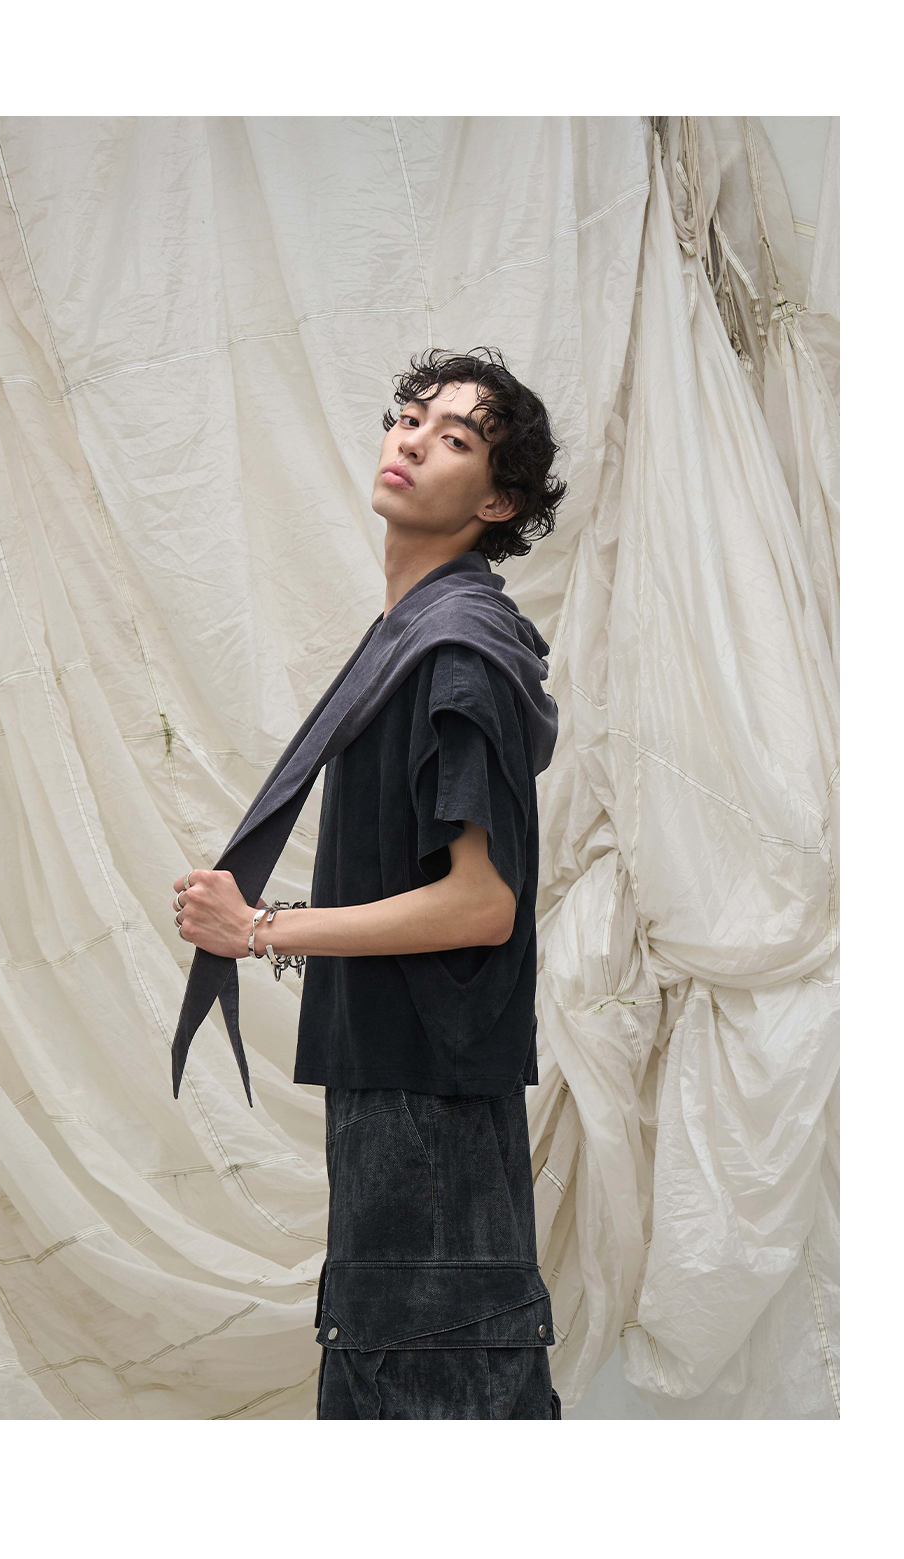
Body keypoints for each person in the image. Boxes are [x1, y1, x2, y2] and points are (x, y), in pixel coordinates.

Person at [171, 346, 566, 1419]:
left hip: (426, 1097)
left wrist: (261, 927)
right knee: (410, 1388)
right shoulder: (412, 634)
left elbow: (483, 904)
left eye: (455, 437)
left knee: (431, 1401)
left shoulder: (455, 653)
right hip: (402, 1079)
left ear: (495, 500)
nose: (413, 439)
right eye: (410, 415)